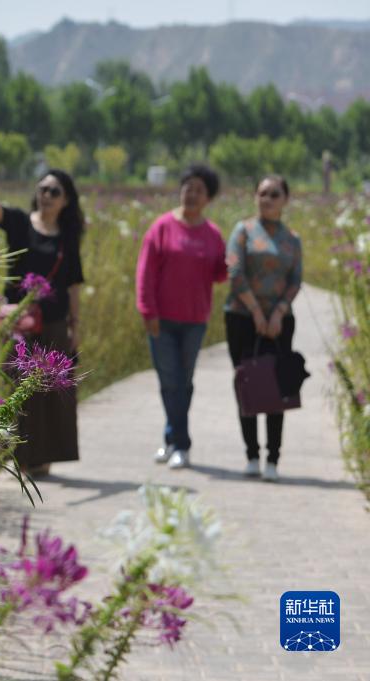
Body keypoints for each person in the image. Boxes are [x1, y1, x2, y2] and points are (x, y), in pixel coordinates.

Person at [0, 170, 85, 476]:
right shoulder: (21, 223)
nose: (46, 195)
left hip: (54, 324)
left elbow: (73, 284)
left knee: (51, 393)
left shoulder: (67, 237)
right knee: (19, 390)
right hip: (19, 325)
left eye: (54, 191)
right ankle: (22, 457)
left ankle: (44, 458)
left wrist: (75, 326)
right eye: (43, 188)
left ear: (66, 201)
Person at [136, 164, 227, 470]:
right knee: (169, 380)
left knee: (183, 382)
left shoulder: (213, 234)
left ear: (208, 198)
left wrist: (234, 261)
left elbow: (219, 273)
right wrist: (147, 310)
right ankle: (181, 444)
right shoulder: (161, 228)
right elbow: (145, 273)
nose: (192, 194)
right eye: (188, 188)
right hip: (161, 320)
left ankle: (171, 439)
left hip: (195, 320)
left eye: (199, 190)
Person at [224, 175, 302, 482]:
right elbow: (234, 271)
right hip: (242, 317)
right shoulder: (243, 231)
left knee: (277, 385)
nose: (267, 199)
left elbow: (296, 279)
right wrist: (256, 312)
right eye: (262, 193)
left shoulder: (292, 238)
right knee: (247, 382)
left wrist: (278, 312)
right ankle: (252, 455)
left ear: (285, 200)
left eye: (274, 194)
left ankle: (273, 458)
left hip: (280, 321)